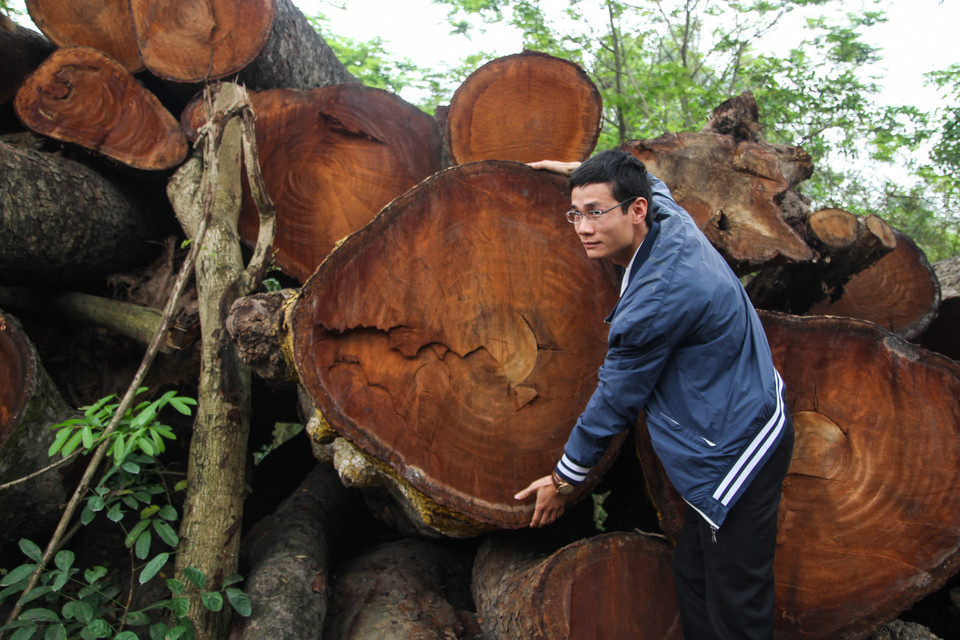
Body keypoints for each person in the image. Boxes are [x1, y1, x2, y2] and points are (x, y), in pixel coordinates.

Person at [516, 150, 794, 639]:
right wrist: (580, 172)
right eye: (576, 214)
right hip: (737, 407)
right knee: (693, 574)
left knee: (737, 605)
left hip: (737, 448)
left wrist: (564, 479)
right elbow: (653, 182)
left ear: (635, 210)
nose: (584, 228)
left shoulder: (658, 296)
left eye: (596, 212)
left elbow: (614, 401)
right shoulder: (668, 218)